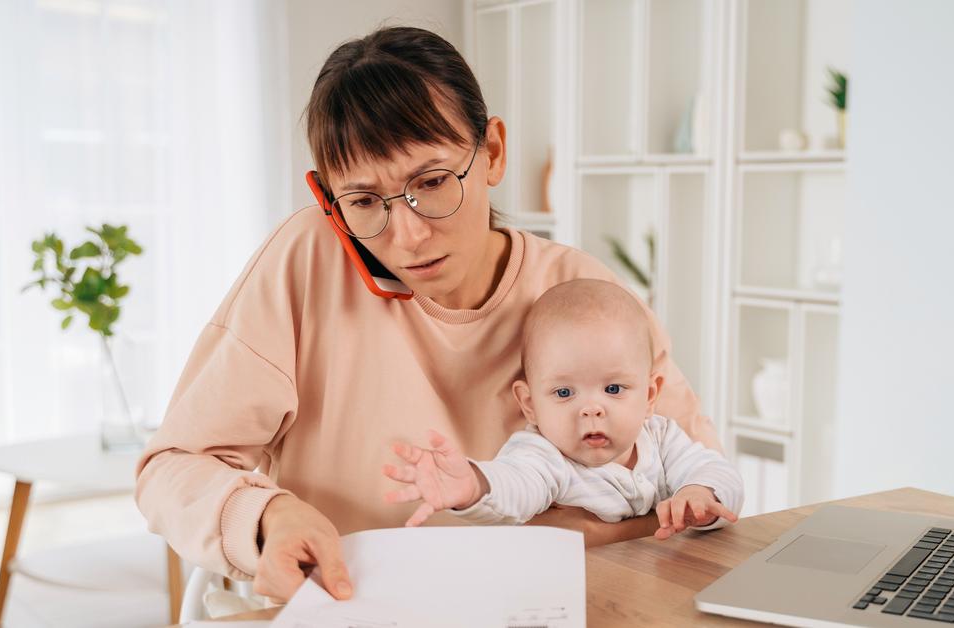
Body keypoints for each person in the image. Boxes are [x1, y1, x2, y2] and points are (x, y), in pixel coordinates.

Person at [134, 26, 723, 603]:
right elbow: (173, 467)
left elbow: (700, 490)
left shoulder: (580, 290)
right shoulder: (306, 260)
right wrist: (268, 516)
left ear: (491, 153)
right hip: (354, 604)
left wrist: (588, 533)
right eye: (365, 201)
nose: (409, 234)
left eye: (434, 181)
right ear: (329, 198)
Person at [383, 279, 742, 538]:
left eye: (613, 389)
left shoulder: (662, 438)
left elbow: (718, 472)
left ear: (650, 396)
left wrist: (700, 494)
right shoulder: (545, 456)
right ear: (530, 405)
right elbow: (515, 487)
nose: (591, 410)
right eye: (565, 392)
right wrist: (475, 484)